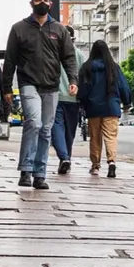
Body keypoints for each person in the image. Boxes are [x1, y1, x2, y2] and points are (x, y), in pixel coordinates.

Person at [2, 0, 79, 190]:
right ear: (31, 3)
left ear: (51, 4)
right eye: (38, 0)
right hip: (28, 83)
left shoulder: (60, 30)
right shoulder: (19, 28)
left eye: (45, 0)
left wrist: (73, 80)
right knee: (34, 123)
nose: (42, 3)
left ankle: (40, 174)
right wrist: (6, 88)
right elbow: (9, 60)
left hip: (51, 86)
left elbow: (69, 57)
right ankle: (26, 169)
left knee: (46, 129)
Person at [77, 40, 131, 179]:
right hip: (111, 107)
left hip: (93, 107)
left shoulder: (86, 67)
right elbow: (123, 87)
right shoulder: (114, 67)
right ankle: (111, 162)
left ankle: (95, 165)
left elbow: (82, 89)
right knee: (111, 136)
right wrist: (126, 102)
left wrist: (82, 103)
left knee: (95, 137)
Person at [52, 27, 87, 175]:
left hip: (56, 95)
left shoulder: (53, 52)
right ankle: (67, 159)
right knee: (70, 131)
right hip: (73, 97)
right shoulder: (79, 54)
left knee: (57, 127)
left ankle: (64, 157)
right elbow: (82, 76)